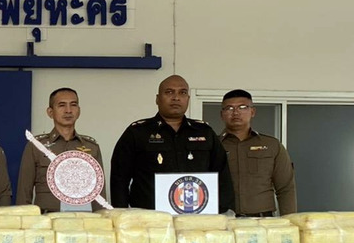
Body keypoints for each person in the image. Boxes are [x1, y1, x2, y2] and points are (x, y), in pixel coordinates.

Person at [110, 75, 234, 211]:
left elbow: (222, 176)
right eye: (169, 92)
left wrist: (222, 211)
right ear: (157, 99)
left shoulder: (204, 132)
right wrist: (121, 213)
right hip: (149, 217)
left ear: (188, 99)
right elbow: (119, 178)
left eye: (182, 92)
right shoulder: (138, 132)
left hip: (196, 215)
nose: (176, 97)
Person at [16, 87, 104, 211]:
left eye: (73, 105)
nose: (68, 110)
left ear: (79, 111)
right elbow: (24, 192)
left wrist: (100, 219)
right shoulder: (36, 146)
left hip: (83, 218)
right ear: (50, 112)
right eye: (62, 105)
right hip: (46, 219)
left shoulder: (91, 147)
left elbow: (99, 195)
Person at [219, 89, 297, 217]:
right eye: (229, 108)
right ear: (222, 114)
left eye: (242, 107)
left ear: (252, 111)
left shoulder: (272, 145)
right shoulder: (213, 146)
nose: (236, 112)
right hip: (224, 221)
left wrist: (289, 221)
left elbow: (285, 188)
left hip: (262, 220)